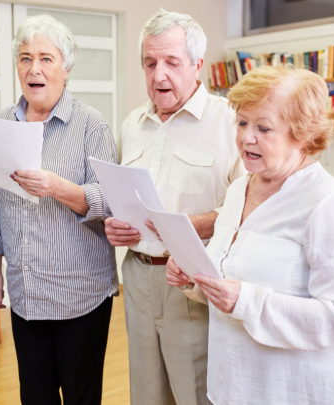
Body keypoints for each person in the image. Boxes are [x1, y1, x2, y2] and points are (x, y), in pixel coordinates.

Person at [167, 65, 334, 405]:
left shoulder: (327, 203)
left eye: (263, 127)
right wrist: (195, 277)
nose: (247, 137)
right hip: (235, 383)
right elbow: (230, 279)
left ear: (303, 135)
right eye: (243, 122)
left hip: (295, 390)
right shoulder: (238, 190)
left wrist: (247, 301)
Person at [104, 9, 244, 405]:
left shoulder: (230, 123)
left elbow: (246, 213)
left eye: (171, 62)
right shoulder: (132, 124)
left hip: (192, 282)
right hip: (136, 275)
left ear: (198, 65)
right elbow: (121, 197)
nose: (158, 75)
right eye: (150, 63)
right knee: (146, 394)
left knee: (195, 393)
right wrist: (114, 225)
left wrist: (191, 226)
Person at [0, 14, 119, 405]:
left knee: (81, 395)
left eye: (46, 58)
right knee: (35, 396)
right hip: (27, 293)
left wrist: (57, 187)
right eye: (25, 58)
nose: (34, 68)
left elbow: (108, 201)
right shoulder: (1, 124)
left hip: (81, 294)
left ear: (66, 68)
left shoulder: (91, 124)